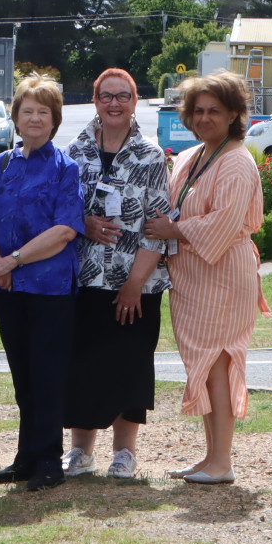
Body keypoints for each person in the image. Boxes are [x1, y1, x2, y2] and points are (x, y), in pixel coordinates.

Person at [145, 72, 266, 486]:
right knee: (204, 362)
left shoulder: (236, 161)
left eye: (215, 110)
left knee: (219, 362)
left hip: (223, 275)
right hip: (193, 277)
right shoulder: (191, 156)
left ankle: (222, 461)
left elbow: (226, 221)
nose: (204, 117)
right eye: (197, 110)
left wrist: (174, 231)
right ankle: (212, 456)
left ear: (234, 114)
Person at [64, 67, 172, 481]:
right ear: (94, 101)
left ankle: (125, 453)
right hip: (84, 280)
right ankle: (79, 452)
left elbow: (157, 226)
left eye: (123, 96)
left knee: (131, 364)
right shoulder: (75, 151)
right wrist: (84, 224)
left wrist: (133, 286)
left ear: (134, 102)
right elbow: (60, 213)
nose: (114, 103)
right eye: (106, 96)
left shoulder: (150, 155)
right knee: (83, 363)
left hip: (136, 281)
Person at [0, 74, 85, 492]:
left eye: (43, 111)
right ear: (16, 118)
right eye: (28, 111)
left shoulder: (65, 168)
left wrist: (12, 261)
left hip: (50, 288)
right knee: (22, 375)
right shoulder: (2, 165)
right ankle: (25, 457)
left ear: (54, 119)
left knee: (47, 375)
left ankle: (48, 460)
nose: (35, 118)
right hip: (8, 289)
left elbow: (65, 230)